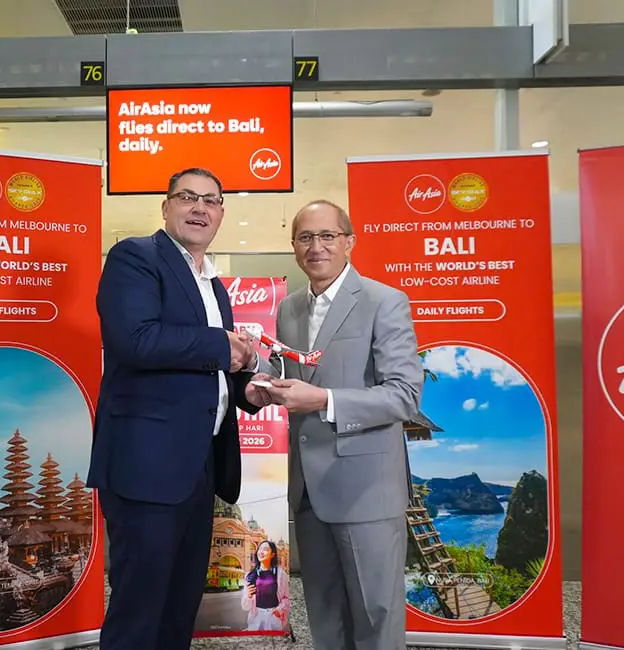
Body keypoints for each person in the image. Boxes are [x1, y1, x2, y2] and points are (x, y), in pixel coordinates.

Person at [87, 167, 268, 650]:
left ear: (222, 213)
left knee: (179, 603)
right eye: (187, 197)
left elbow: (208, 367)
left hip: (198, 465)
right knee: (140, 608)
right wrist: (225, 348)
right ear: (166, 207)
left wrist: (246, 389)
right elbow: (134, 339)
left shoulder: (214, 284)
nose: (200, 208)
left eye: (212, 200)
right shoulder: (135, 256)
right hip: (146, 467)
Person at [250, 199, 423, 650]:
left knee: (375, 616)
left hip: (366, 488)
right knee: (325, 615)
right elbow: (294, 374)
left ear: (349, 242)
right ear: (293, 247)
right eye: (306, 237)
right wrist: (263, 384)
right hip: (308, 488)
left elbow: (404, 395)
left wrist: (324, 399)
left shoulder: (384, 301)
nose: (317, 246)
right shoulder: (289, 309)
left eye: (328, 236)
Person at [241, 540, 290, 631]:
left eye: (266, 549)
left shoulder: (280, 574)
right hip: (256, 616)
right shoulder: (250, 575)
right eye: (259, 549)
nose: (261, 552)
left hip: (273, 616)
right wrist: (249, 596)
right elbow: (245, 606)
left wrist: (278, 611)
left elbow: (286, 598)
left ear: (272, 554)